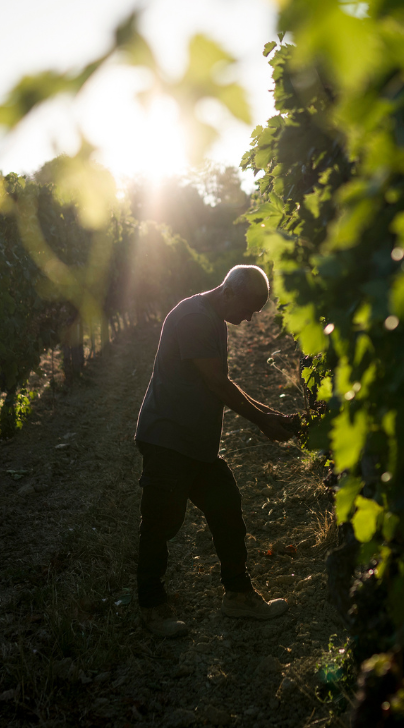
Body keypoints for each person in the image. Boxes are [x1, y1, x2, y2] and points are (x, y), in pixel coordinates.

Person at [133, 265, 297, 637]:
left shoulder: (212, 317)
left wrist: (270, 415)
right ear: (229, 291)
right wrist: (263, 421)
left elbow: (219, 383)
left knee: (226, 506)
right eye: (251, 307)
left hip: (194, 441)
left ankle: (238, 595)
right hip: (168, 438)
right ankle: (151, 607)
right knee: (161, 521)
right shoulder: (194, 317)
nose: (251, 317)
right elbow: (217, 384)